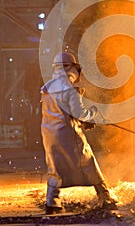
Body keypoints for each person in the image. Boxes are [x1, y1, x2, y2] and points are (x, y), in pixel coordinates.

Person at [40, 51, 117, 214]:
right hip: (68, 134)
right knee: (87, 161)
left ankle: (52, 201)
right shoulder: (69, 88)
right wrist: (92, 114)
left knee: (55, 165)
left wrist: (81, 120)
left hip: (49, 134)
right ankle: (105, 195)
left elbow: (62, 112)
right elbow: (78, 112)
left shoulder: (48, 87)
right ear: (71, 68)